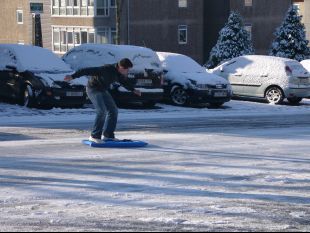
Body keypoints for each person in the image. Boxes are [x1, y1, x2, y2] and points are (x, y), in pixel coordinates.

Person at [64, 58, 141, 143]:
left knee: (113, 110)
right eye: (127, 70)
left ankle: (108, 135)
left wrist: (133, 90)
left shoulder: (118, 73)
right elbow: (85, 70)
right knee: (101, 111)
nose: (128, 72)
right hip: (93, 89)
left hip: (103, 90)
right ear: (121, 68)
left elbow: (123, 82)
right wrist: (72, 76)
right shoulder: (105, 69)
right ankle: (94, 136)